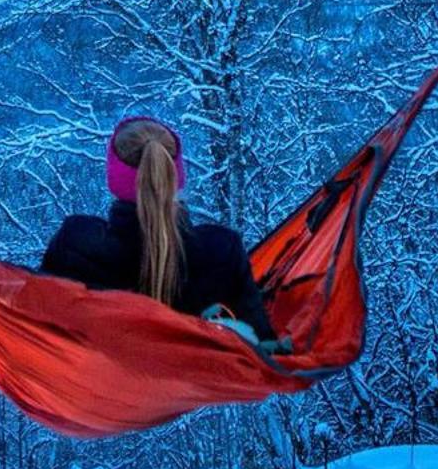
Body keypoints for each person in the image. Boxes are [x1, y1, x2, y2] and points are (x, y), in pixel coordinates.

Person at [40, 115, 290, 352]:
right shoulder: (222, 250)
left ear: (114, 178)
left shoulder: (76, 243)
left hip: (95, 385)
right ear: (176, 176)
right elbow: (261, 343)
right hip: (188, 388)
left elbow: (40, 323)